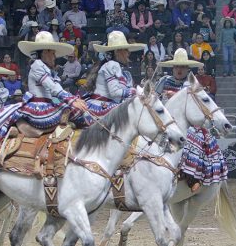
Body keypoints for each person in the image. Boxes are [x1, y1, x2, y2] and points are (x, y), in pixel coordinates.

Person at [0, 31, 88, 177]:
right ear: (44, 52)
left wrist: (72, 100)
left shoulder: (48, 69)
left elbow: (56, 89)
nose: (54, 56)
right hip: (39, 109)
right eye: (51, 52)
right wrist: (72, 100)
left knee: (78, 113)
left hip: (46, 105)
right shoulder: (37, 65)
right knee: (77, 113)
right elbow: (53, 87)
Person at [156, 48, 227, 192]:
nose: (179, 70)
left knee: (195, 140)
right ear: (173, 68)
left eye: (182, 67)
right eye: (176, 67)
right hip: (164, 121)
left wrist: (173, 95)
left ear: (187, 68)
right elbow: (154, 98)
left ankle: (193, 178)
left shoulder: (191, 83)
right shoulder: (164, 81)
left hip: (186, 122)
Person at [85, 31, 146, 116]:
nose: (129, 53)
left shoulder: (125, 73)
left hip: (111, 105)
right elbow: (115, 92)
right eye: (126, 50)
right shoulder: (111, 65)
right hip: (101, 106)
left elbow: (126, 95)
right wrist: (135, 91)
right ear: (117, 52)